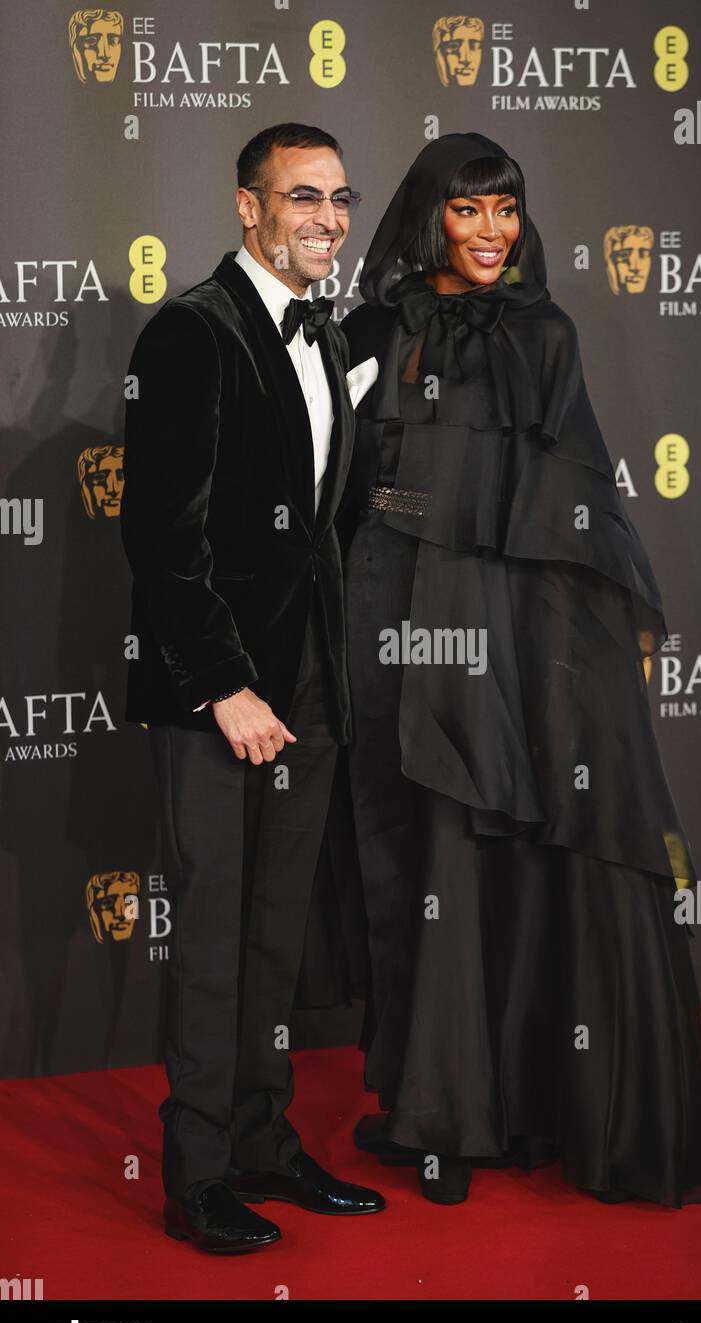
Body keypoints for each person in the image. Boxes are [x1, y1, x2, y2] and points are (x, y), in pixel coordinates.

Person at [340, 132, 701, 1209]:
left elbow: (575, 494)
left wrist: (595, 641)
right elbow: (338, 478)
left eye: (506, 210)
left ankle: (479, 1111)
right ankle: (427, 1105)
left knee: (481, 844)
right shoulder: (370, 327)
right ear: (429, 216)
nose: (489, 232)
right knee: (407, 854)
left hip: (500, 609)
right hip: (386, 604)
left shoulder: (546, 331)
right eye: (468, 211)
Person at [120, 122, 384, 1253]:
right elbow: (159, 538)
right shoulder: (189, 330)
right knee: (217, 939)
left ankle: (265, 1139)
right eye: (302, 197)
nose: (327, 217)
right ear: (247, 207)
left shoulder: (322, 333)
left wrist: (317, 674)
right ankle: (199, 1174)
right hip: (217, 698)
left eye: (339, 198)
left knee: (274, 938)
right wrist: (225, 685)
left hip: (307, 689)